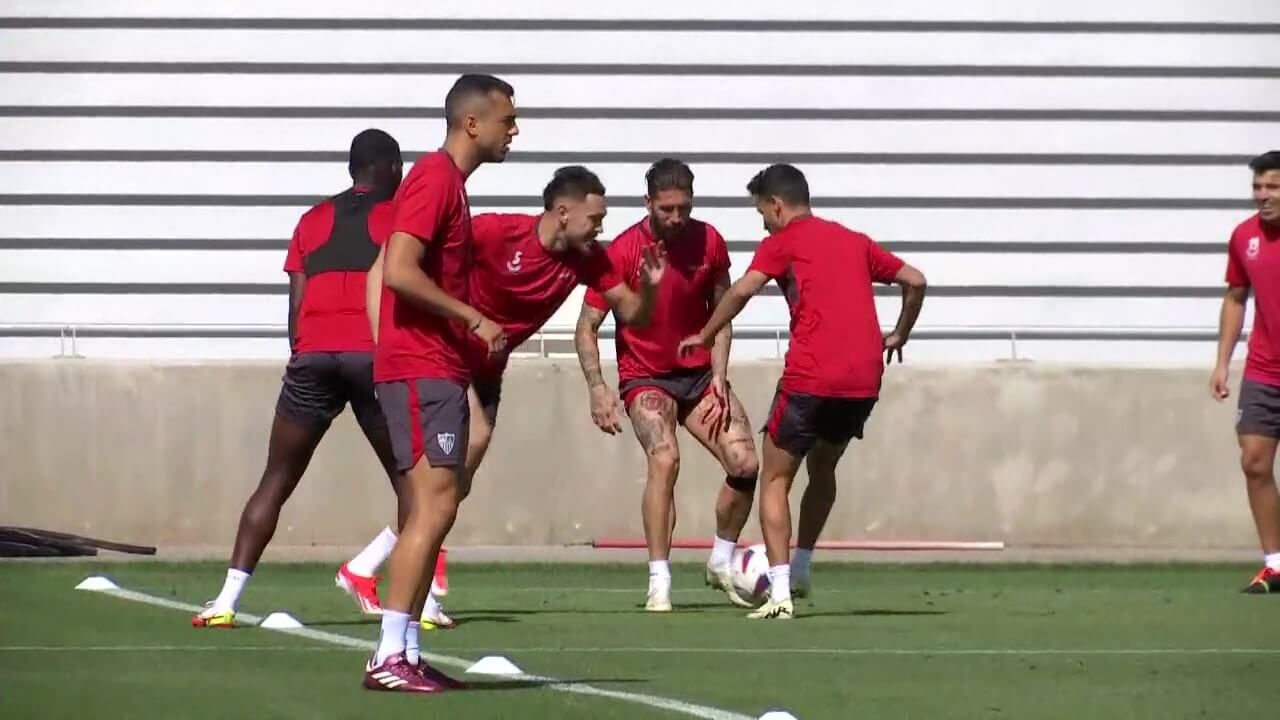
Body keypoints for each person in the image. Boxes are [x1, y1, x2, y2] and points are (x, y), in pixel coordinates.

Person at [337, 165, 667, 624]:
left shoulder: (590, 259)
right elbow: (390, 260)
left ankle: (369, 568)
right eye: (595, 219)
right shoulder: (498, 232)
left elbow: (632, 313)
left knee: (450, 491)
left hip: (488, 368)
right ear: (563, 212)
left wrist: (648, 288)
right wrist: (383, 342)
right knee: (443, 483)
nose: (601, 228)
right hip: (444, 357)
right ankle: (409, 606)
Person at [678, 163, 927, 619]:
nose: (763, 225)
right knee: (824, 468)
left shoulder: (784, 242)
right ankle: (802, 567)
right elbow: (916, 279)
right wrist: (899, 334)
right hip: (863, 380)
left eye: (762, 214)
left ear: (776, 205)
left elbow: (741, 291)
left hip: (811, 378)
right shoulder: (854, 240)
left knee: (775, 479)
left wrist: (705, 334)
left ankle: (780, 594)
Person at [191, 129, 406, 629]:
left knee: (275, 480)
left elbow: (296, 305)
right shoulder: (398, 216)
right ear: (393, 168)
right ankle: (423, 604)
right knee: (415, 486)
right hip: (371, 358)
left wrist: (305, 356)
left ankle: (225, 602)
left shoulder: (311, 219)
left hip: (312, 357)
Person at [363, 73, 516, 693]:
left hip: (433, 365)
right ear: (472, 123)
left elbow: (387, 270)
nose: (515, 130)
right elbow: (398, 270)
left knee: (439, 506)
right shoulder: (434, 177)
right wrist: (471, 317)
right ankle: (388, 655)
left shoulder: (449, 183)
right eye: (508, 119)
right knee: (432, 505)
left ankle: (407, 650)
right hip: (421, 367)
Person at [575, 158, 761, 612]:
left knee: (745, 463)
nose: (676, 218)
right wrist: (598, 387)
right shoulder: (623, 251)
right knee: (665, 459)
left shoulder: (709, 241)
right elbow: (586, 326)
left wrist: (719, 374)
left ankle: (721, 561)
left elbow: (723, 313)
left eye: (684, 208)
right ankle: (659, 579)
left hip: (698, 375)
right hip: (646, 375)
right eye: (667, 209)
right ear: (648, 203)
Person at [1211, 149, 1280, 594]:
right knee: (1254, 463)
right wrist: (1222, 362)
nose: (1263, 195)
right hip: (1263, 371)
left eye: (1273, 186)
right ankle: (1275, 564)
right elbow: (1236, 298)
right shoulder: (1244, 236)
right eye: (1257, 187)